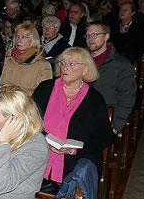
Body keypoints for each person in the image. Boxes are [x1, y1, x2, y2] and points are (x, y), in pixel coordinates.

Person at [33, 48, 114, 187]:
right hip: (39, 157)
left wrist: (73, 149)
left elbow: (104, 136)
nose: (65, 67)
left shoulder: (94, 99)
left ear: (85, 69)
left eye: (72, 64)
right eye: (63, 63)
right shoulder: (45, 88)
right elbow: (29, 120)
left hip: (74, 162)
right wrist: (44, 140)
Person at [86, 22, 136, 132]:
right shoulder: (81, 59)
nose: (90, 39)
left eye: (95, 35)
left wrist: (115, 126)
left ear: (106, 36)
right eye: (88, 35)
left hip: (103, 116)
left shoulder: (121, 65)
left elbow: (127, 98)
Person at [0, 23, 52, 94]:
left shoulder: (43, 65)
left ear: (33, 40)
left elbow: (43, 94)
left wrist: (15, 90)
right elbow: (1, 83)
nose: (18, 40)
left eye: (23, 37)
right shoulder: (8, 59)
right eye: (17, 36)